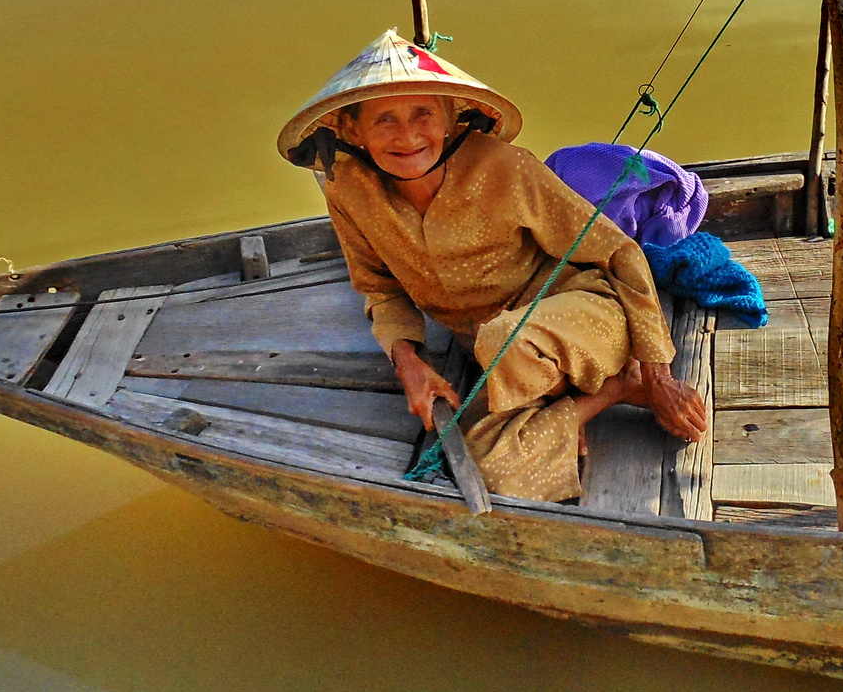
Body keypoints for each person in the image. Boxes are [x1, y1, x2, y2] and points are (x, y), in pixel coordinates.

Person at [277, 30, 706, 502]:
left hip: (577, 315)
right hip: (493, 359)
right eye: (384, 120)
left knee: (504, 338)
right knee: (489, 470)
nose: (408, 136)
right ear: (353, 131)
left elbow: (620, 252)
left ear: (447, 119)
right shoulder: (347, 189)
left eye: (423, 113)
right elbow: (379, 288)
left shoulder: (504, 167)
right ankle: (610, 393)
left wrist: (660, 376)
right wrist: (410, 366)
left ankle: (617, 380)